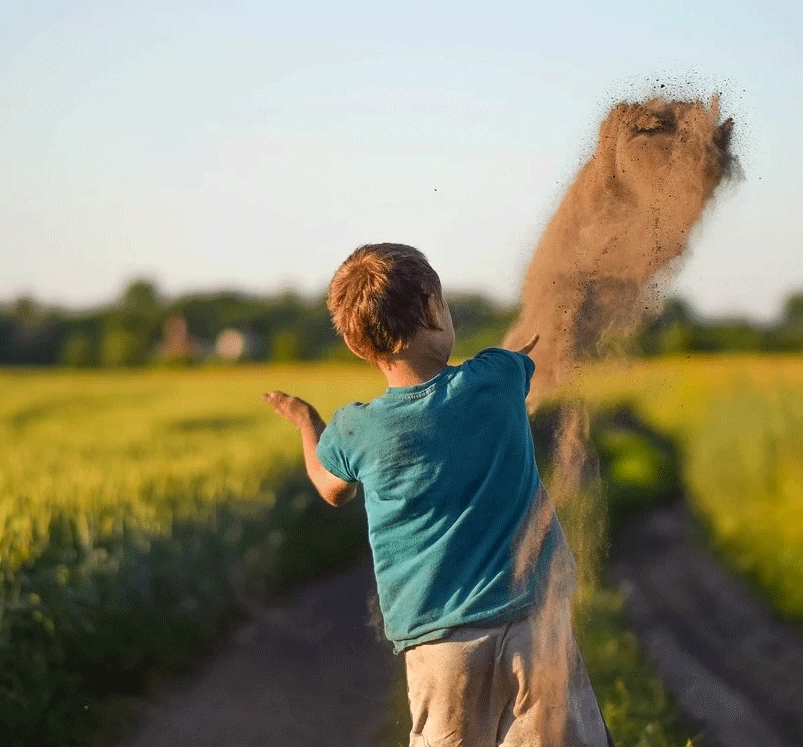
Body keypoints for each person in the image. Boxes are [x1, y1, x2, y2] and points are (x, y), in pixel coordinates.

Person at [262, 243, 615, 747]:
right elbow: (522, 359)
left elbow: (329, 486)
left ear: (357, 347)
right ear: (433, 309)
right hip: (535, 627)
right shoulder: (496, 375)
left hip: (440, 647)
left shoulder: (355, 430)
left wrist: (305, 420)